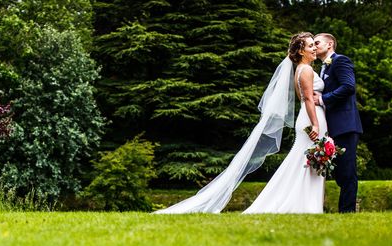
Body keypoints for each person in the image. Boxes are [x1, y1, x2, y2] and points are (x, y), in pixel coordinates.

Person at [154, 33, 328, 214]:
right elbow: (307, 99)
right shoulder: (306, 70)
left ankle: (303, 203)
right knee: (304, 161)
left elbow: (305, 99)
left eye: (314, 46)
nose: (314, 48)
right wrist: (315, 124)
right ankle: (301, 204)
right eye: (310, 46)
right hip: (311, 118)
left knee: (303, 161)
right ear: (301, 51)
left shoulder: (300, 69)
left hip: (307, 117)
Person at [313, 33, 362, 213]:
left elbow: (349, 86)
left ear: (330, 44)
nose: (314, 46)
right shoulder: (323, 68)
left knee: (347, 171)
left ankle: (347, 212)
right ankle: (345, 210)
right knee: (340, 172)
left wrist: (323, 99)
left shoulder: (340, 60)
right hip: (333, 126)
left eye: (317, 43)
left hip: (346, 124)